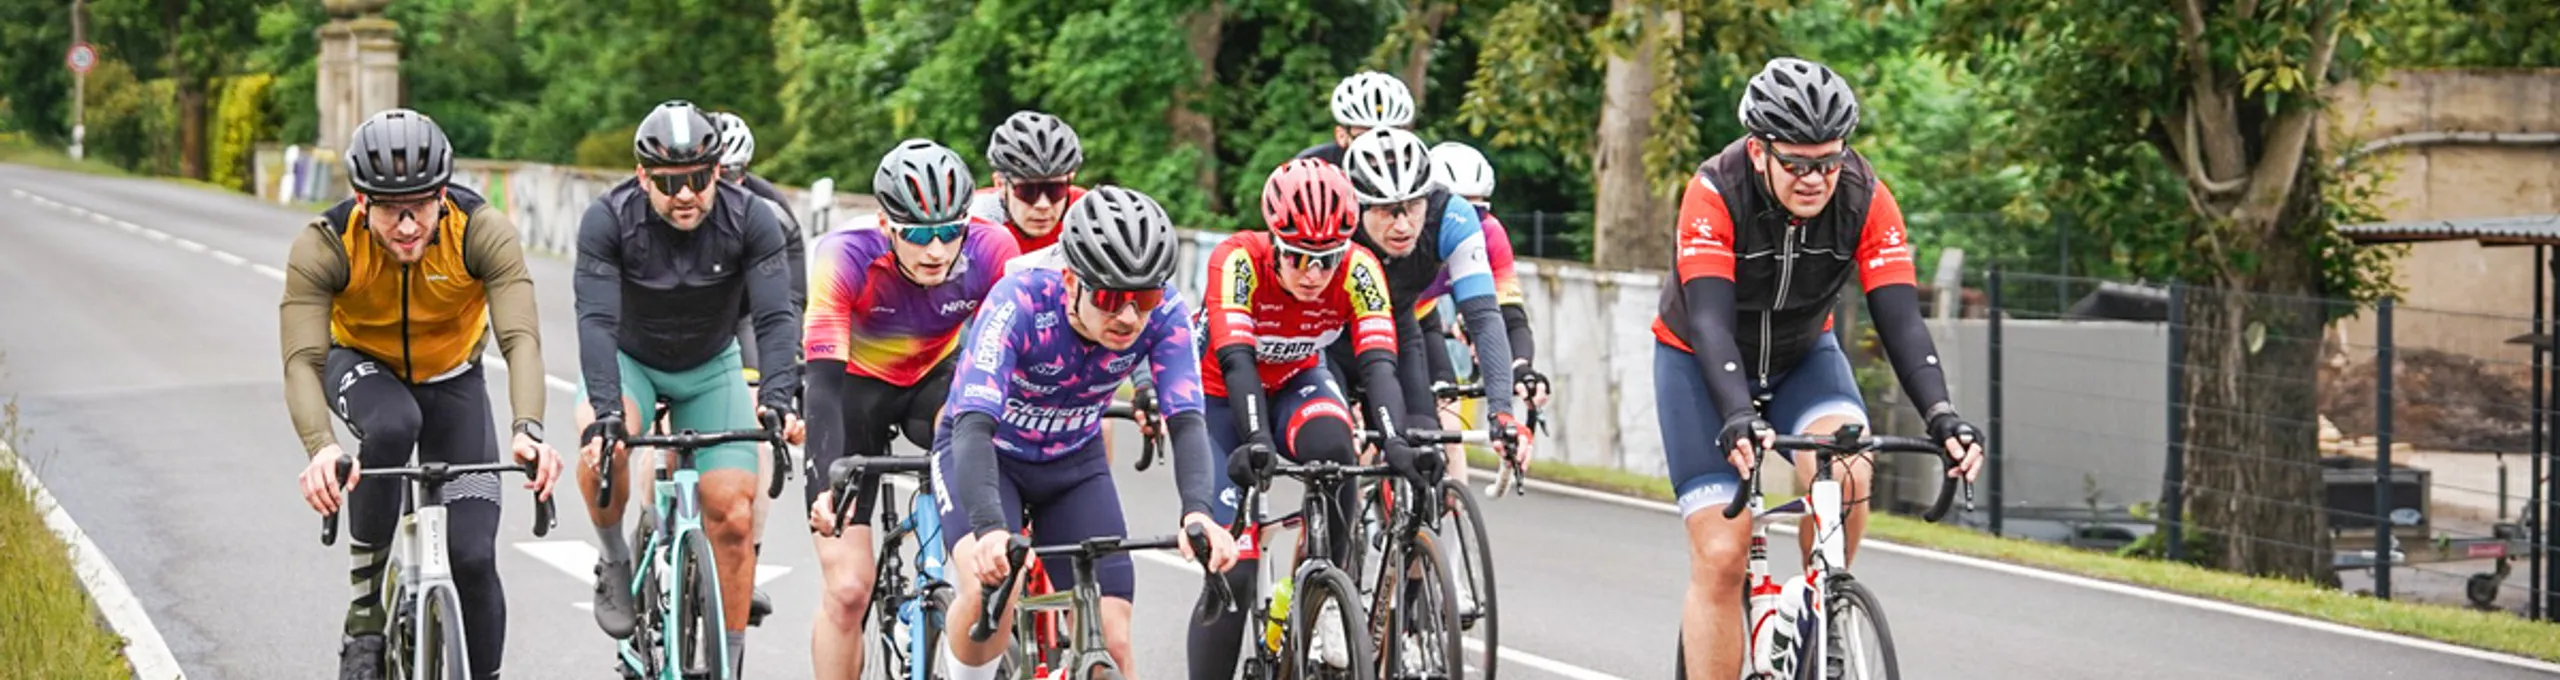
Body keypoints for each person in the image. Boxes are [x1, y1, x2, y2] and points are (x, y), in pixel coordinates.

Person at [1652, 57, 1985, 679]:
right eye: (1798, 164)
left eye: (1828, 161)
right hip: (1699, 364)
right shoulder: (1714, 190)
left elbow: (1901, 320)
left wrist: (1942, 415)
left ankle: (1822, 604)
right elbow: (1709, 321)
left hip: (1803, 356)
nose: (1816, 178)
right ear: (1759, 152)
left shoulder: (1865, 196)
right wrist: (1735, 415)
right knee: (1723, 555)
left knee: (1850, 467)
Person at [283, 108, 563, 680]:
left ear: (443, 194)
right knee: (391, 425)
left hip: (454, 379)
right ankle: (365, 612)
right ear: (362, 201)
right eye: (389, 209)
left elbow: (519, 337)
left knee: (474, 557)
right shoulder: (326, 244)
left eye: (421, 205)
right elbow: (302, 360)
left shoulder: (480, 231)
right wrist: (320, 448)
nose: (408, 225)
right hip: (359, 365)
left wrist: (528, 429)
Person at [936, 186, 1241, 680]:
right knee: (989, 592)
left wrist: (1200, 513)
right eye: (1109, 297)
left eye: (1143, 297)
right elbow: (972, 424)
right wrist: (991, 528)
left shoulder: (1164, 314)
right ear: (1070, 278)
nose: (1128, 317)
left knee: (1114, 642)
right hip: (989, 454)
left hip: (1073, 463)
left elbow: (1186, 418)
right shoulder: (1020, 299)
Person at [571, 99, 806, 671]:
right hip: (633, 360)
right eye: (671, 182)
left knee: (733, 514)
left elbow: (776, 317)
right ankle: (615, 561)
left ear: (717, 171)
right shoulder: (608, 220)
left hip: (710, 362)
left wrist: (778, 396)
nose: (686, 195)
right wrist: (605, 411)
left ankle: (727, 660)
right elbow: (596, 322)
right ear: (643, 176)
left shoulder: (751, 218)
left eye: (700, 179)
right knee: (603, 451)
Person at [1185, 159, 1439, 680]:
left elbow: (1378, 364)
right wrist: (1256, 441)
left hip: (1298, 380)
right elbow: (1237, 362)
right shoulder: (1237, 260)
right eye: (1299, 258)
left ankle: (1327, 591)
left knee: (1336, 449)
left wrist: (1395, 442)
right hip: (1221, 395)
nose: (1313, 274)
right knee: (1235, 570)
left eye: (1326, 260)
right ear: (1275, 240)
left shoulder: (1360, 268)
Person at [799, 139, 1020, 679]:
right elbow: (823, 385)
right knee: (850, 590)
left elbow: (1013, 362)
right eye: (919, 234)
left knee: (969, 424)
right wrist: (829, 482)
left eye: (950, 230)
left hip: (934, 381)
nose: (937, 249)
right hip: (853, 390)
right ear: (886, 224)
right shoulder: (844, 254)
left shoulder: (994, 248)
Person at [1324, 127, 1535, 484]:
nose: (1403, 224)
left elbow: (1484, 317)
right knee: (1337, 454)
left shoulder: (1453, 217)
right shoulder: (1335, 221)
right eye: (1388, 211)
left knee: (1424, 442)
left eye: (1414, 206)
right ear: (1358, 205)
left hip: (1400, 328)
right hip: (1333, 335)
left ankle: (1414, 531)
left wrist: (1501, 413)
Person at [709, 108, 806, 627]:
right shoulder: (676, 203)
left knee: (755, 417)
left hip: (747, 313)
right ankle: (653, 523)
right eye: (715, 175)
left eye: (735, 176)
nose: (725, 188)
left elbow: (790, 303)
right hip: (684, 316)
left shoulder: (772, 210)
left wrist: (785, 381)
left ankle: (751, 557)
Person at [1414, 141, 1547, 418]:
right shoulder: (1408, 234)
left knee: (1448, 416)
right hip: (1381, 319)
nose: (1467, 224)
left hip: (1422, 317)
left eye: (1478, 212)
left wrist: (1521, 366)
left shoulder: (1490, 234)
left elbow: (1509, 315)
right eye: (1458, 211)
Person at [969, 110, 1089, 253]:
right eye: (1028, 191)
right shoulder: (975, 224)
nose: (1043, 205)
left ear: (1070, 181)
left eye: (1055, 190)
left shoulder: (1084, 211)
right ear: (1001, 185)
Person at [1295, 71, 1415, 167]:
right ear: (1341, 136)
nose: (1380, 146)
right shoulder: (1313, 166)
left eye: (1389, 135)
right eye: (1364, 136)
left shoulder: (1419, 163)